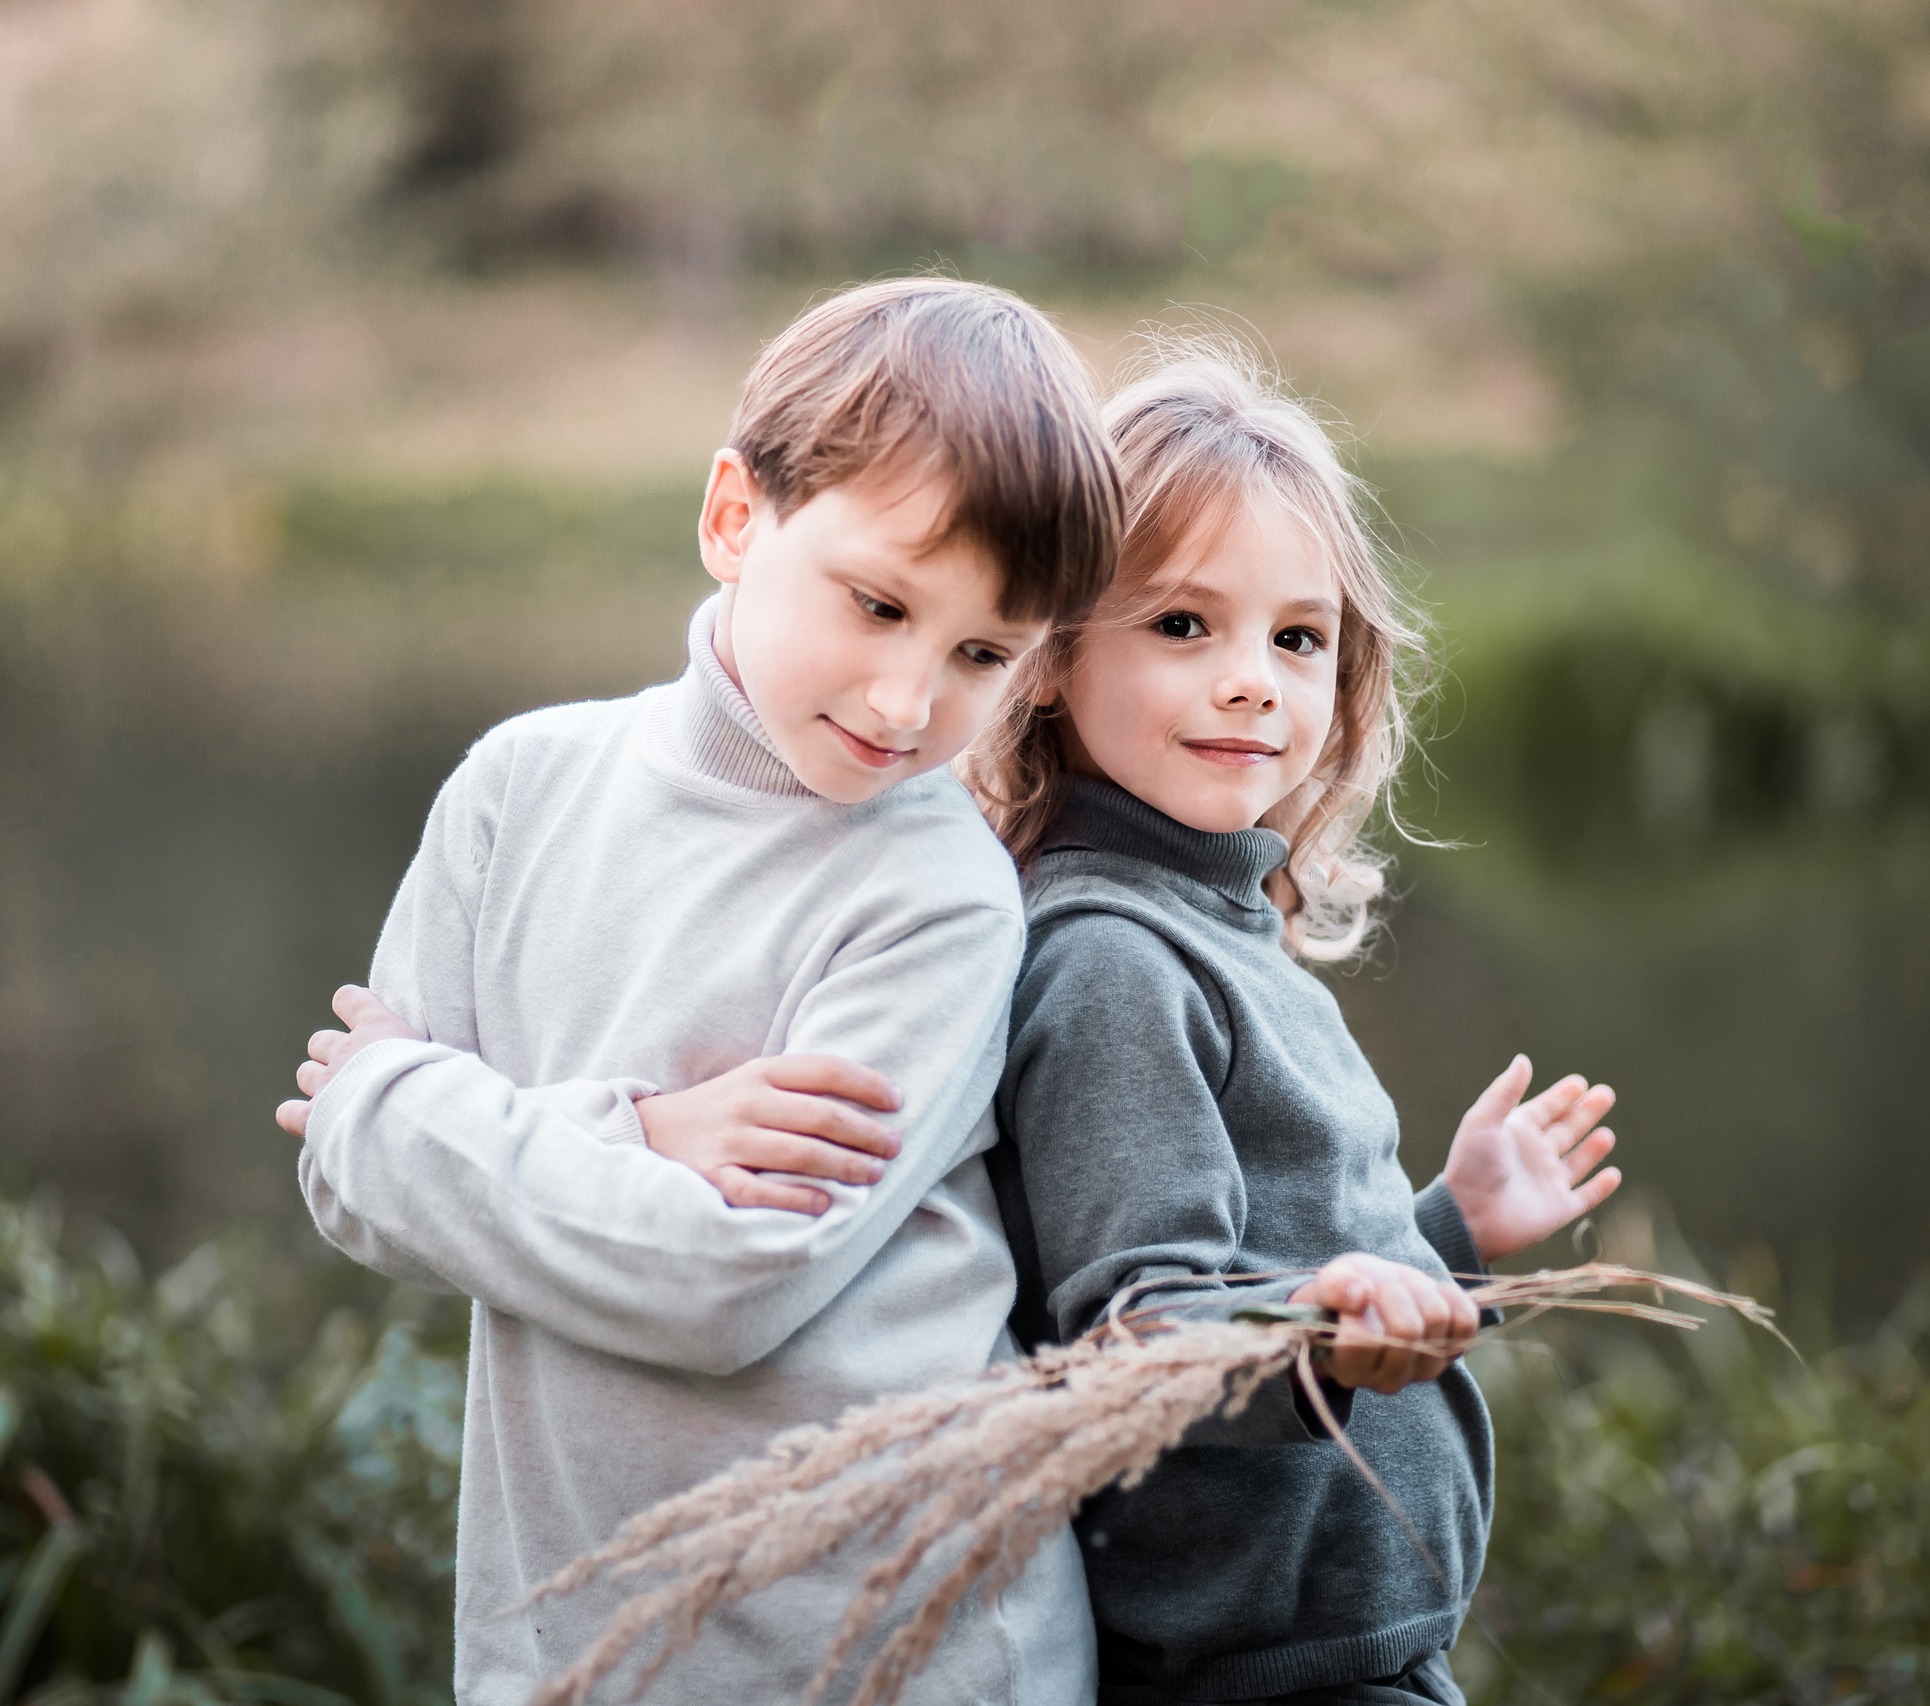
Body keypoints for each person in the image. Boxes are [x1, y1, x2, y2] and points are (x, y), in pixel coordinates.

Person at [273, 278, 1122, 1706]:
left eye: (981, 654)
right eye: (878, 605)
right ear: (736, 518)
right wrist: (643, 1136)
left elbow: (726, 1279)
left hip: (901, 1652)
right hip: (584, 1636)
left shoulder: (937, 892)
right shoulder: (517, 790)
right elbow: (351, 1180)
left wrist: (414, 1107)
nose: (911, 703)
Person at [956, 344, 1625, 1706]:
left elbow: (1292, 1263)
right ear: (1045, 658)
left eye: (1297, 637)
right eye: (1184, 626)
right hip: (1253, 1673)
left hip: (1337, 1651)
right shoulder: (1112, 962)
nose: (1254, 680)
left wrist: (1446, 1231)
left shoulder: (1219, 928)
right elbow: (1145, 1336)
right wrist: (1320, 1336)